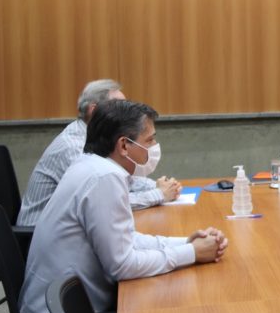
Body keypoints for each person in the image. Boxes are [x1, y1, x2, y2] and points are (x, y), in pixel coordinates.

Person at [18, 99, 228, 313]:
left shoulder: (91, 165)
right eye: (149, 140)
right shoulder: (104, 178)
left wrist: (187, 242)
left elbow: (127, 238)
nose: (153, 147)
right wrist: (191, 254)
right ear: (124, 145)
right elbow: (123, 264)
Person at [17, 79, 181, 226]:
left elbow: (124, 184)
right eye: (118, 107)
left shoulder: (95, 137)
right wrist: (158, 194)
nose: (127, 114)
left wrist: (160, 186)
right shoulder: (74, 147)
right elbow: (108, 201)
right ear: (94, 111)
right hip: (37, 233)